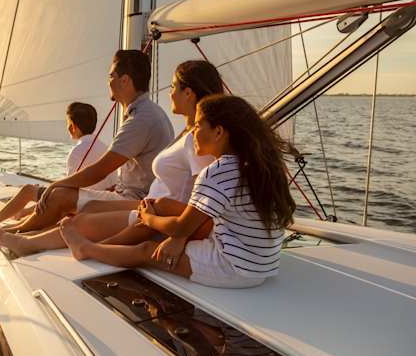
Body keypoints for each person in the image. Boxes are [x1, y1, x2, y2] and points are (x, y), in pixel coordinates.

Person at [0, 60, 223, 256]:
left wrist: (178, 235)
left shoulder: (187, 133)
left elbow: (205, 194)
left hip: (156, 210)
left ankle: (25, 240)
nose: (169, 93)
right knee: (88, 208)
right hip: (151, 203)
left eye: (173, 87)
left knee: (64, 201)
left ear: (188, 93)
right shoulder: (186, 131)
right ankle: (22, 235)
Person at [61, 94, 296, 289]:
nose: (192, 132)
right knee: (163, 204)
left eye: (198, 125)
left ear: (218, 132)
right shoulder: (256, 165)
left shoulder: (217, 172)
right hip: (262, 262)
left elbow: (182, 227)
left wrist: (149, 218)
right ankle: (110, 242)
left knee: (146, 250)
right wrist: (161, 212)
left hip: (234, 267)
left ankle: (86, 249)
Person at [0, 49, 174, 234]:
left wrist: (55, 185)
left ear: (124, 81)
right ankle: (14, 228)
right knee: (58, 194)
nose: (108, 81)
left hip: (136, 201)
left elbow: (100, 170)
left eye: (110, 76)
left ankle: (12, 232)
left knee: (58, 195)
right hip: (133, 195)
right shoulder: (147, 113)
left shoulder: (141, 119)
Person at [0, 102, 116, 227]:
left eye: (68, 124)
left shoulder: (77, 152)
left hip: (81, 203)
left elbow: (65, 193)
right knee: (42, 193)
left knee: (27, 190)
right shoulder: (107, 148)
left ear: (73, 126)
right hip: (100, 201)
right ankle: (21, 214)